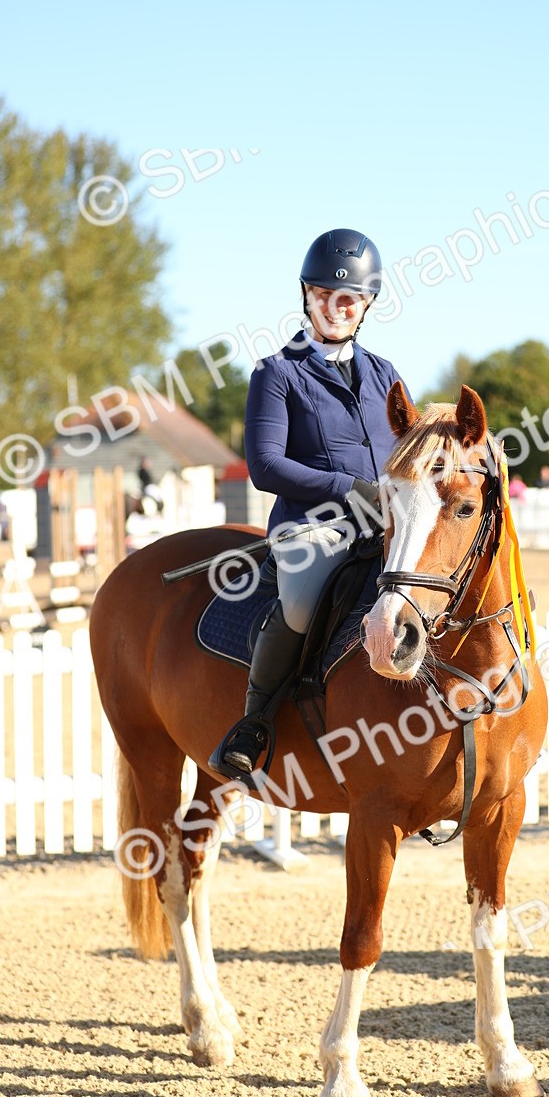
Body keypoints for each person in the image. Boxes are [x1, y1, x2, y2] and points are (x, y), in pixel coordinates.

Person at [209, 229, 407, 781]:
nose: (335, 307)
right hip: (312, 528)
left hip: (384, 523)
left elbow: (408, 448)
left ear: (367, 304)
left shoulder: (386, 374)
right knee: (300, 603)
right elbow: (266, 466)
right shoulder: (277, 373)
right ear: (305, 293)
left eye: (348, 298)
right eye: (323, 294)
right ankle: (254, 724)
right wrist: (347, 487)